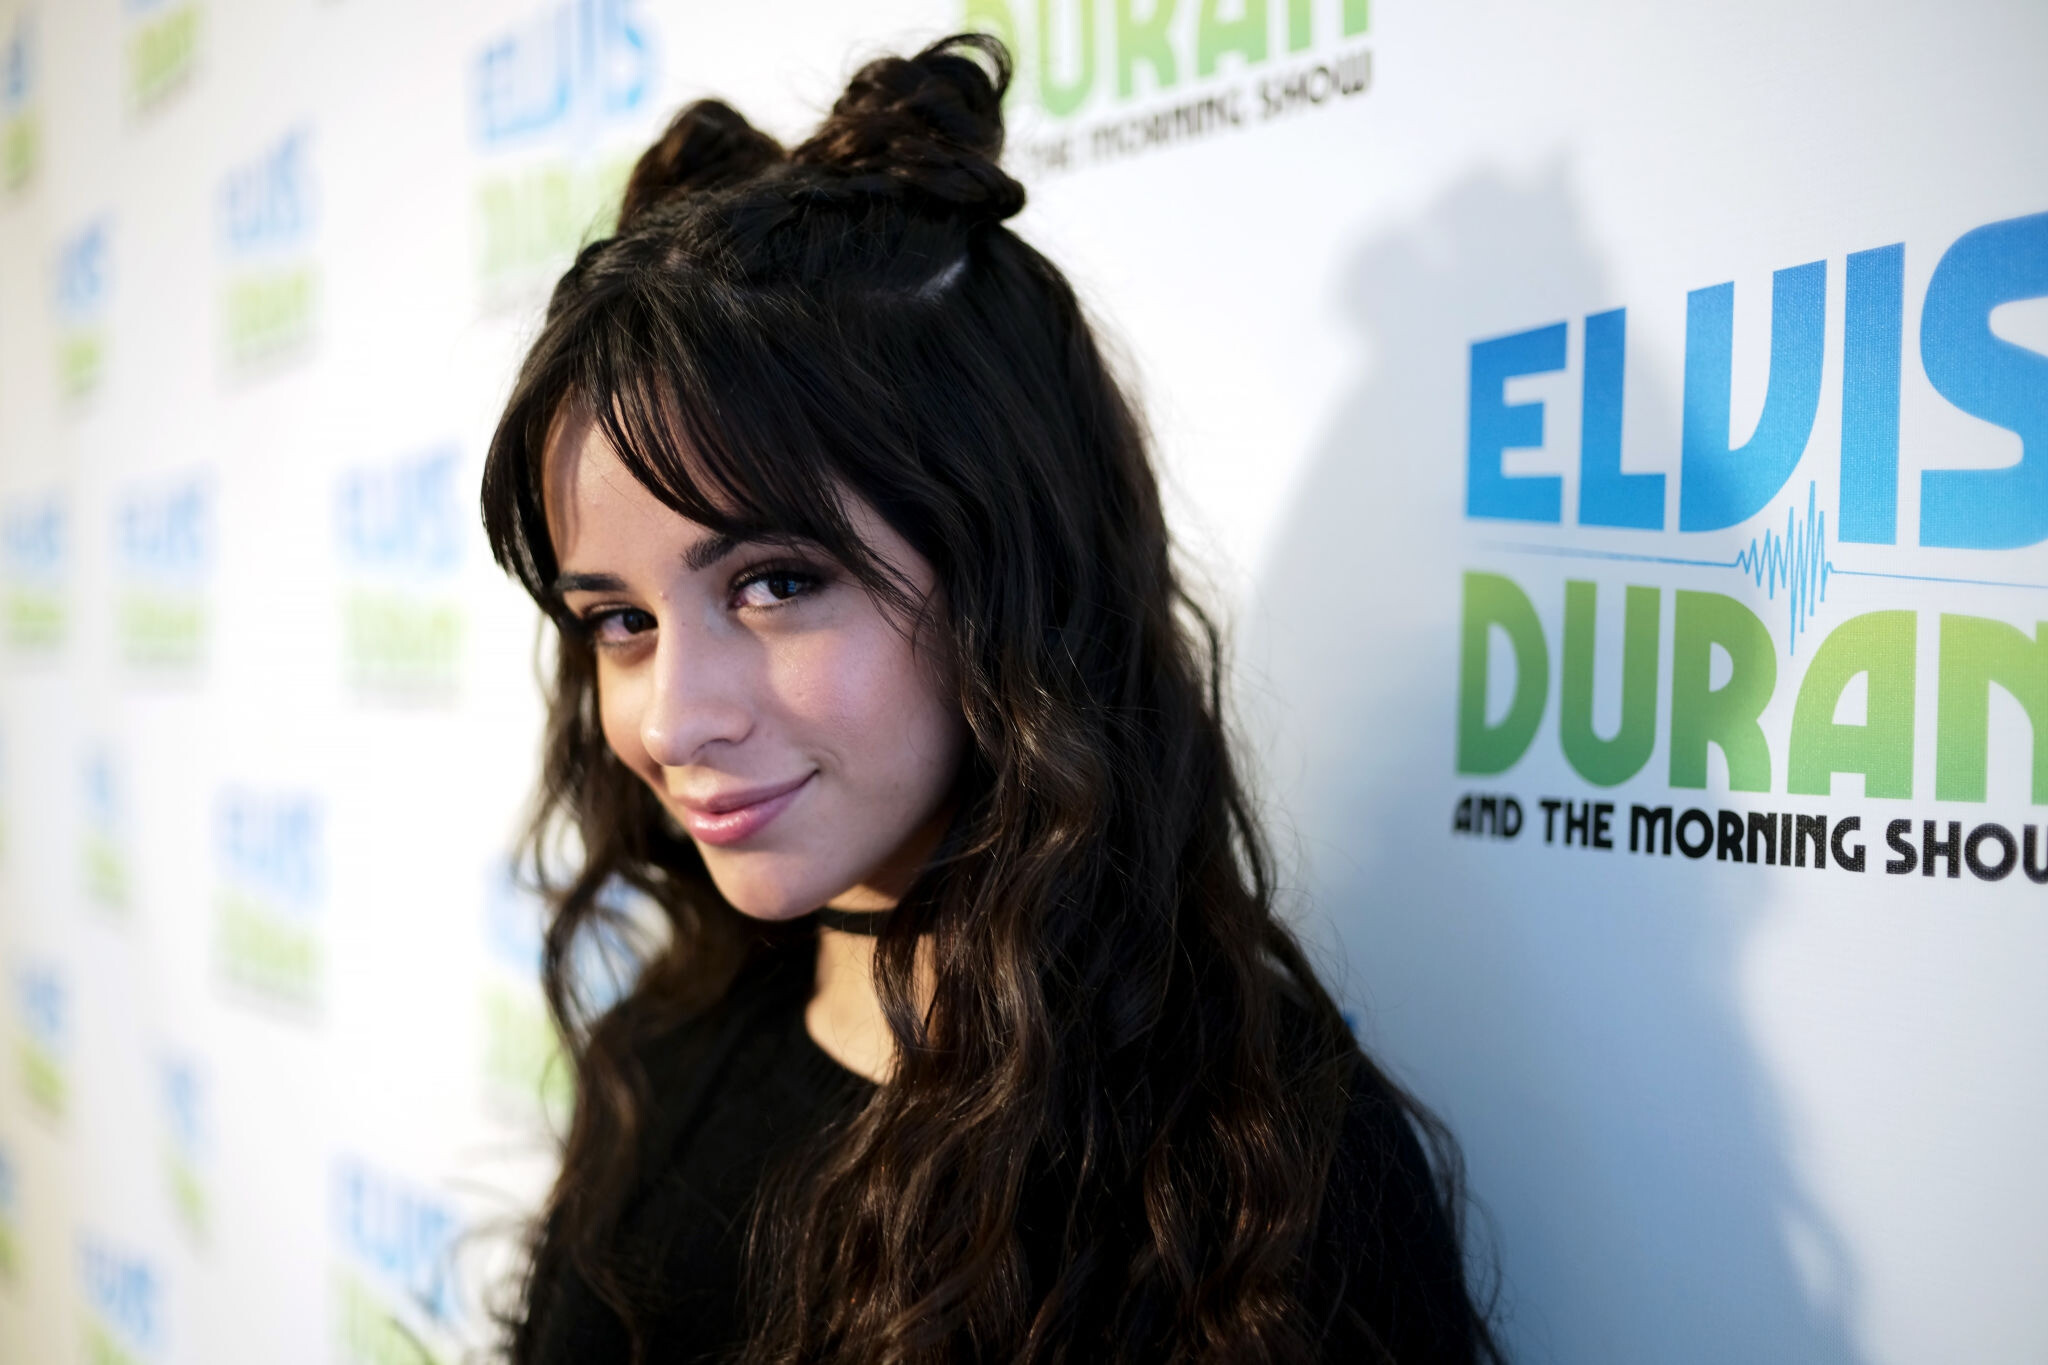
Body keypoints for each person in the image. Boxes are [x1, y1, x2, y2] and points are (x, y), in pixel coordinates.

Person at [480, 32, 1503, 1365]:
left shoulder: (1258, 1184)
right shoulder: (656, 1061)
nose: (672, 721)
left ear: (1015, 578)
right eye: (621, 620)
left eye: (776, 584)